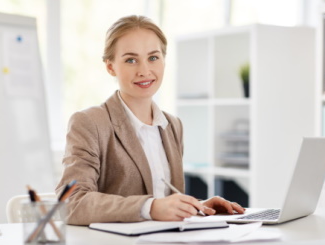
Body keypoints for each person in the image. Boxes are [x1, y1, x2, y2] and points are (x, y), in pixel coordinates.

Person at [55, 15, 245, 226]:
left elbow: (162, 201)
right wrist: (150, 207)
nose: (144, 71)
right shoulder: (90, 123)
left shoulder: (172, 126)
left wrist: (197, 208)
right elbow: (69, 202)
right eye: (130, 60)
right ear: (110, 67)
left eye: (153, 57)